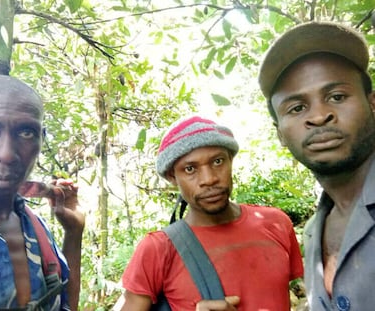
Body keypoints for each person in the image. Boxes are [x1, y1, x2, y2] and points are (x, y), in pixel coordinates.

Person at [119, 116, 304, 310]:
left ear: (230, 160)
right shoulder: (158, 249)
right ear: (172, 177)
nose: (209, 179)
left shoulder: (276, 223)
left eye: (217, 161)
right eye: (190, 169)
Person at [259, 21, 375, 310]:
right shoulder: (313, 231)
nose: (320, 116)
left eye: (336, 97)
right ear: (280, 135)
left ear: (373, 104)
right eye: (297, 108)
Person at [0, 75, 85, 310]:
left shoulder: (36, 228)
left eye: (26, 133)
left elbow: (64, 306)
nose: (6, 154)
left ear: (41, 139)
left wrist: (74, 233)